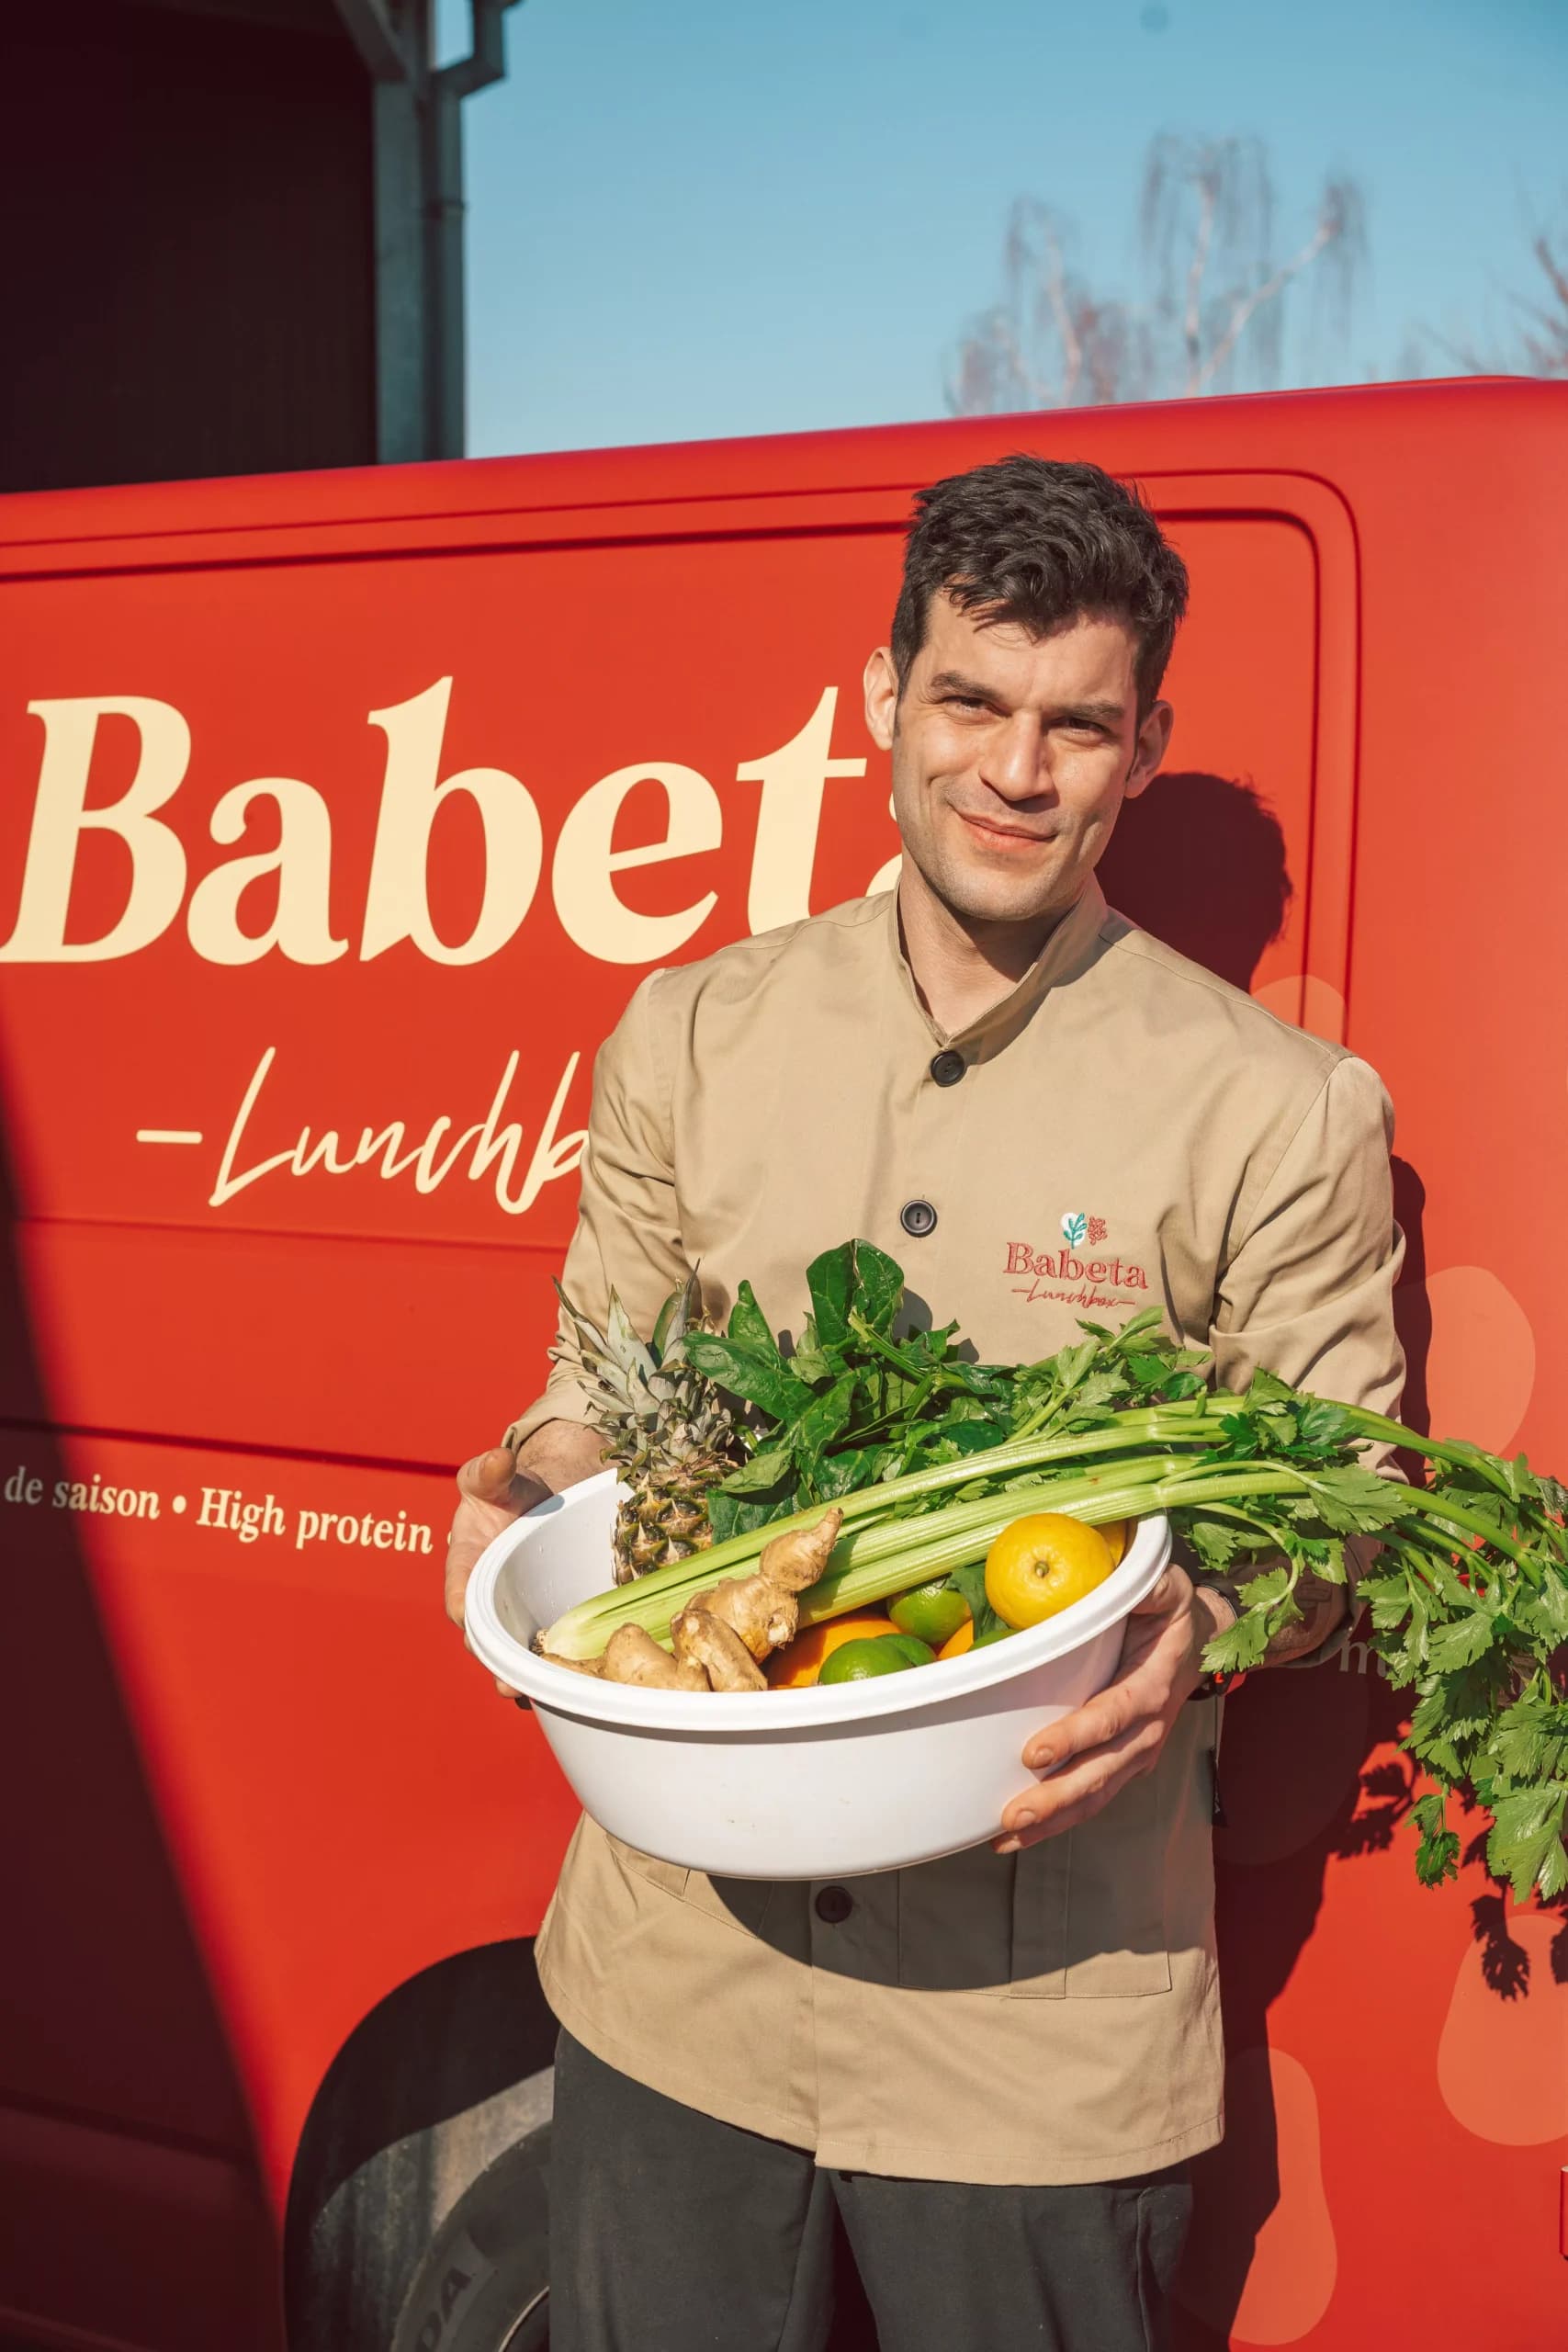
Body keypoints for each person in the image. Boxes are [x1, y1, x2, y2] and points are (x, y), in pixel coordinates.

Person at [444, 456, 1404, 2351]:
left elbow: (1346, 1509)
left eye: (1074, 724)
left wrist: (1208, 1619)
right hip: (675, 1986)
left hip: (1033, 2044)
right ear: (881, 699)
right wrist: (519, 1489)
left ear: (1140, 745)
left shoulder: (1276, 1108)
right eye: (968, 699)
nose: (1013, 769)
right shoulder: (693, 1029)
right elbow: (590, 1398)